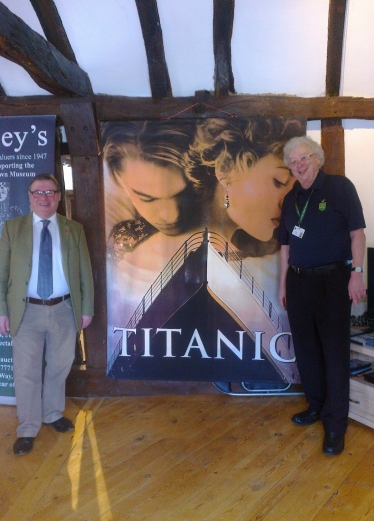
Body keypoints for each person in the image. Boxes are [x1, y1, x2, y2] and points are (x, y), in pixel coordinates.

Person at [278, 136, 366, 456]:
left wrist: (357, 272)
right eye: (293, 162)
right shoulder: (290, 200)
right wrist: (283, 285)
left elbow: (358, 233)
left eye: (304, 158)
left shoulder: (341, 188)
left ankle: (335, 424)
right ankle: (315, 405)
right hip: (299, 282)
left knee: (334, 352)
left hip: (333, 280)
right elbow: (286, 246)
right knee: (307, 350)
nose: (299, 165)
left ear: (318, 158)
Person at [0, 174, 94, 456]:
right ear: (29, 197)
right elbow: (2, 274)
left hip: (64, 310)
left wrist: (86, 308)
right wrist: (1, 310)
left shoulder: (73, 229)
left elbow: (85, 273)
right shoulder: (11, 229)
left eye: (50, 192)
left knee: (59, 366)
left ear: (58, 197)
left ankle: (52, 413)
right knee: (26, 372)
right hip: (25, 311)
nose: (44, 197)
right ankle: (27, 428)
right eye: (38, 193)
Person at [186, 117, 305, 257]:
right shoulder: (180, 244)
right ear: (226, 168)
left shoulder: (262, 256)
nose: (287, 203)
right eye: (278, 182)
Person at [102, 120, 201, 262]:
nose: (172, 216)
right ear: (118, 177)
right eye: (148, 199)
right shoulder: (124, 238)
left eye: (185, 193)